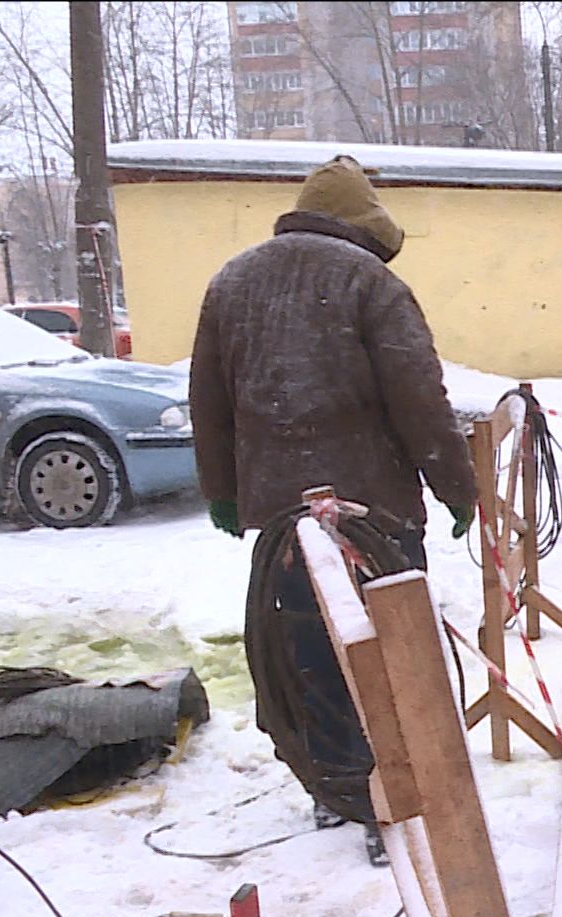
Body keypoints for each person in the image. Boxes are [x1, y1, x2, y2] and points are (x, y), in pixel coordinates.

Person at [189, 155, 479, 858]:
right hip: (371, 511)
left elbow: (209, 402)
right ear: (364, 227)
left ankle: (341, 793)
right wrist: (457, 488)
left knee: (313, 655)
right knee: (392, 655)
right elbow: (420, 399)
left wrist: (224, 492)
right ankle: (396, 800)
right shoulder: (371, 282)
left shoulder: (231, 283)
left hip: (284, 517)